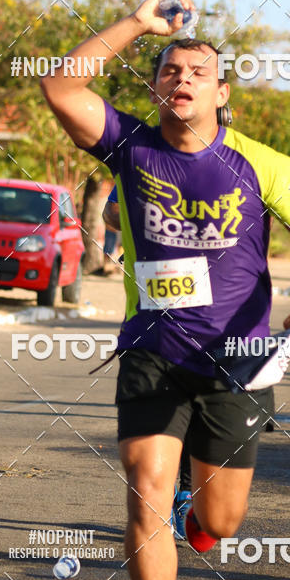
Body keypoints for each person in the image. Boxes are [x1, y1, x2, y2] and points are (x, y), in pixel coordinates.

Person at [41, 0, 290, 580]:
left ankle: (198, 512)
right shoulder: (129, 148)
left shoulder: (262, 164)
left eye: (198, 72)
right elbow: (62, 91)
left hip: (237, 361)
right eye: (170, 70)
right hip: (153, 352)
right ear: (154, 88)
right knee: (144, 492)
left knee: (221, 522)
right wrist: (137, 24)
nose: (182, 79)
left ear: (221, 93)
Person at [103, 184, 194, 537]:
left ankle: (187, 491)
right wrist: (142, 223)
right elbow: (109, 213)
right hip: (150, 309)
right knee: (157, 403)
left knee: (193, 405)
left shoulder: (226, 162)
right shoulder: (139, 160)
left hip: (206, 307)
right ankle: (162, 493)